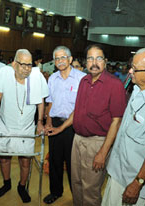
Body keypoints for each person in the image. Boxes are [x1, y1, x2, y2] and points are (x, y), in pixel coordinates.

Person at [102, 48, 145, 206]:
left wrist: (138, 182)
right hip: (117, 171)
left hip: (133, 181)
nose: (130, 70)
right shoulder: (137, 89)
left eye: (135, 69)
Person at [0, 49, 49, 203]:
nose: (27, 68)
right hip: (6, 124)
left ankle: (22, 186)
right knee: (4, 158)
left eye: (29, 64)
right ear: (14, 64)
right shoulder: (4, 73)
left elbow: (41, 100)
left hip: (27, 126)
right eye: (23, 64)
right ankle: (7, 183)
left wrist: (40, 123)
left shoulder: (36, 76)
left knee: (25, 160)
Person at [71, 44, 127, 206]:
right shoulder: (84, 80)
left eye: (98, 58)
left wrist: (103, 152)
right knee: (76, 183)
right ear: (85, 61)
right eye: (90, 58)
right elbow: (77, 112)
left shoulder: (114, 85)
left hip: (97, 142)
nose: (94, 62)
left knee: (90, 190)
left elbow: (117, 121)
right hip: (77, 139)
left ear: (105, 61)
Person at [43, 46, 86, 204]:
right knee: (55, 160)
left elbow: (80, 108)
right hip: (55, 122)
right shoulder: (53, 78)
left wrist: (62, 127)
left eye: (63, 58)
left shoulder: (81, 78)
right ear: (54, 62)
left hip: (73, 126)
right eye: (57, 58)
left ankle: (77, 196)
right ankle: (56, 192)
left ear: (70, 59)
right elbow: (50, 102)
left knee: (73, 163)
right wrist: (48, 122)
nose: (60, 61)